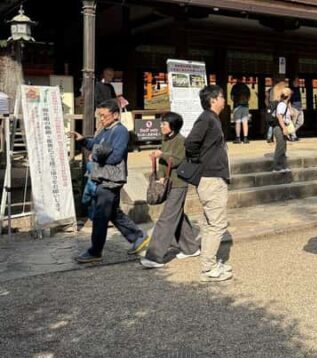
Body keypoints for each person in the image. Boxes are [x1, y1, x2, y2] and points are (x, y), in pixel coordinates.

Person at [73, 99, 149, 264]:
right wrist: (83, 140)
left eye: (104, 115)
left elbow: (116, 156)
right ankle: (138, 237)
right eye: (99, 116)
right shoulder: (104, 130)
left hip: (111, 179)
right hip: (102, 177)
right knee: (113, 212)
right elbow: (95, 144)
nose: (101, 119)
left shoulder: (120, 131)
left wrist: (96, 156)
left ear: (115, 115)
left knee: (101, 215)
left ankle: (95, 252)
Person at [181, 85, 232, 282]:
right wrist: (200, 162)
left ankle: (210, 262)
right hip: (211, 177)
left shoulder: (213, 119)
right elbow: (190, 143)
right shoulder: (206, 118)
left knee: (211, 222)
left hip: (214, 176)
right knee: (217, 224)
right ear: (213, 100)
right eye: (221, 97)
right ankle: (208, 267)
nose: (224, 100)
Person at [140, 112, 199, 269]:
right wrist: (159, 175)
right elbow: (164, 162)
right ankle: (191, 248)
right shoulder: (166, 139)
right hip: (168, 183)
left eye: (164, 124)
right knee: (177, 215)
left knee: (166, 218)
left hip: (179, 184)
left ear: (172, 126)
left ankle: (154, 256)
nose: (161, 126)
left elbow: (178, 160)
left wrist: (162, 154)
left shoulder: (181, 141)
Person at [272, 87, 292, 173]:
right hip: (279, 127)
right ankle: (277, 167)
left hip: (282, 127)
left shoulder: (285, 104)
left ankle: (283, 165)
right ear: (288, 96)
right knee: (280, 147)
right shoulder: (282, 105)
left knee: (283, 147)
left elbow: (291, 114)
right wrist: (284, 128)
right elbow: (279, 116)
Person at [230, 79, 251, 144]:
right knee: (245, 122)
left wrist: (235, 101)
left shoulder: (234, 87)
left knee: (238, 122)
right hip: (245, 106)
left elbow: (232, 97)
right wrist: (246, 101)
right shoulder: (246, 87)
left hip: (237, 106)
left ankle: (238, 138)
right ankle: (245, 138)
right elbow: (249, 97)